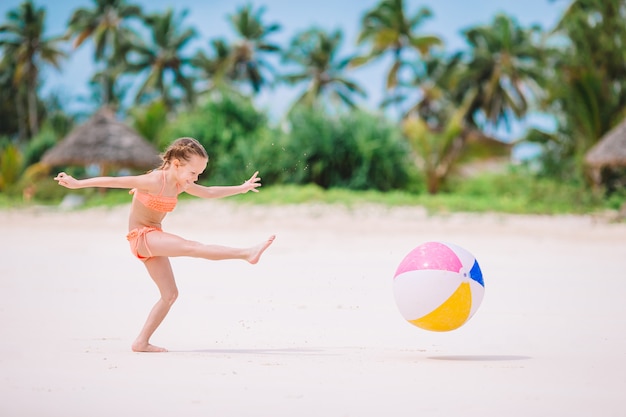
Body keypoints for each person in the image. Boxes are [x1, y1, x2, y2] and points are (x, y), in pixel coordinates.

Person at [54, 137, 275, 353]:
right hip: (141, 236)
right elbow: (114, 181)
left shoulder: (180, 183)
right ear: (177, 164)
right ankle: (246, 253)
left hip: (154, 237)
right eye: (193, 173)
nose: (196, 178)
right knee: (192, 247)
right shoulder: (154, 181)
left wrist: (242, 188)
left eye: (199, 174)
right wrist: (78, 184)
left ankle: (141, 342)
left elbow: (208, 192)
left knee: (170, 295)